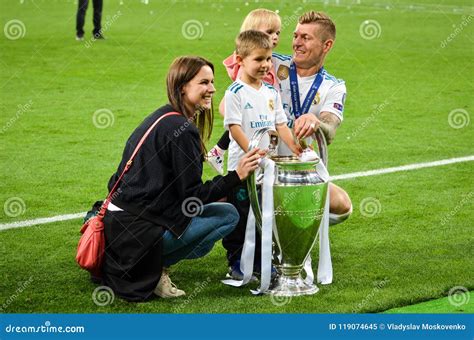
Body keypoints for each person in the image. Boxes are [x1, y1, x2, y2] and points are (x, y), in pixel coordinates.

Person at [100, 56, 261, 301]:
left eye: (213, 82)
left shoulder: (162, 116)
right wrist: (235, 176)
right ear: (183, 86)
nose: (213, 89)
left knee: (212, 207)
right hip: (137, 235)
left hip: (119, 227)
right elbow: (192, 197)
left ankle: (148, 262)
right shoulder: (182, 130)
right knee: (227, 214)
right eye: (204, 83)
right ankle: (154, 269)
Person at [222, 30, 303, 279]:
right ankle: (237, 262)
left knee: (263, 216)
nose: (265, 65)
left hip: (266, 169)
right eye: (258, 59)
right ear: (240, 59)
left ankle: (261, 261)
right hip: (243, 168)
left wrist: (298, 148)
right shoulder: (235, 92)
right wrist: (253, 152)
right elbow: (234, 128)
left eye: (268, 59)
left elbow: (281, 125)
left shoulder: (271, 93)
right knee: (241, 215)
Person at [272, 11, 353, 225]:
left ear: (326, 46)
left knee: (342, 205)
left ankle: (294, 230)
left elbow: (330, 129)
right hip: (262, 162)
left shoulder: (333, 86)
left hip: (297, 168)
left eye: (305, 38)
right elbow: (242, 50)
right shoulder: (271, 64)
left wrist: (317, 123)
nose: (296, 43)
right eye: (295, 36)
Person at [207, 9, 282, 175]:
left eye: (278, 32)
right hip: (247, 154)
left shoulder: (263, 64)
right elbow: (225, 108)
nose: (275, 36)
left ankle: (218, 150)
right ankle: (218, 151)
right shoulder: (251, 72)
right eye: (269, 32)